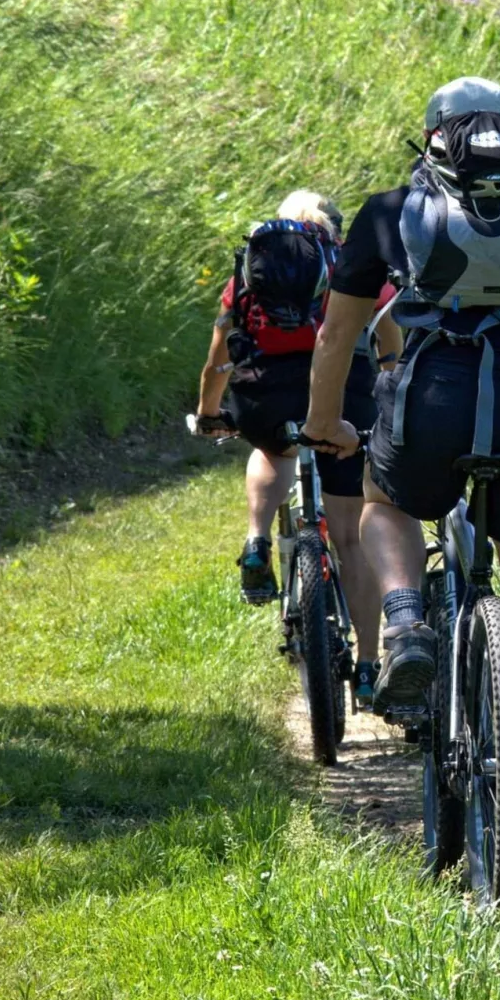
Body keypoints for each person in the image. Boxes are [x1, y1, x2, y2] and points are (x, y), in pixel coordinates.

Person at [301, 79, 500, 851]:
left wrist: (323, 424)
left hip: (435, 396)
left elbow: (337, 337)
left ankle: (406, 621)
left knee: (382, 498)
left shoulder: (388, 212)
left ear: (434, 139)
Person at [193, 190, 400, 705]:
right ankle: (370, 666)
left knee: (270, 449)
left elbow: (219, 352)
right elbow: (388, 333)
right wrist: (392, 380)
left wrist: (209, 413)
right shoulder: (351, 264)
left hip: (264, 396)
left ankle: (257, 539)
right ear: (335, 226)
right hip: (345, 398)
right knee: (351, 541)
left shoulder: (251, 270)